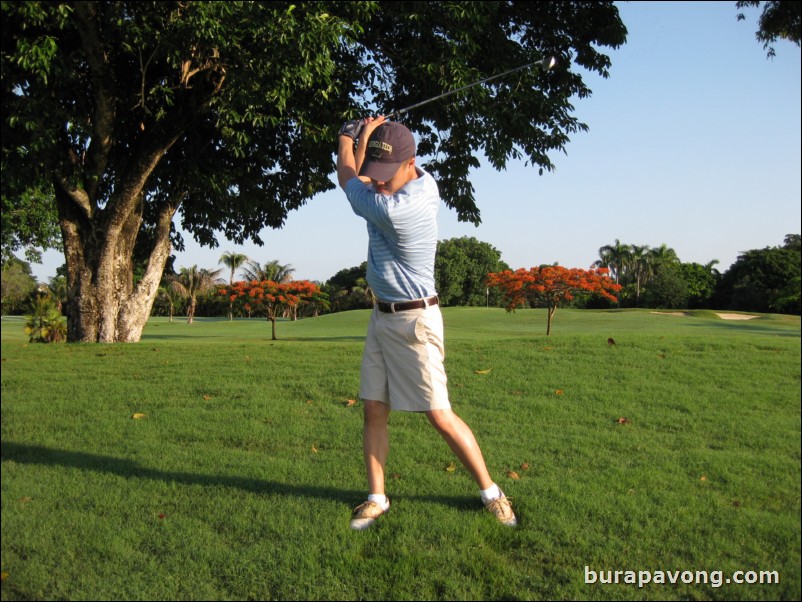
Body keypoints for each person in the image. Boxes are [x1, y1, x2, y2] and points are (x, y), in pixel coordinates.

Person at [336, 115, 517, 530]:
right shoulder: (419, 180)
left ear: (409, 163)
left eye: (386, 175)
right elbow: (361, 174)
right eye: (376, 174)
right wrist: (366, 136)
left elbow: (348, 176)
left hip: (415, 321)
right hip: (382, 316)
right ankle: (377, 498)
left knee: (439, 414)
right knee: (374, 409)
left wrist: (347, 136)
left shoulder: (401, 210)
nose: (379, 182)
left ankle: (492, 493)